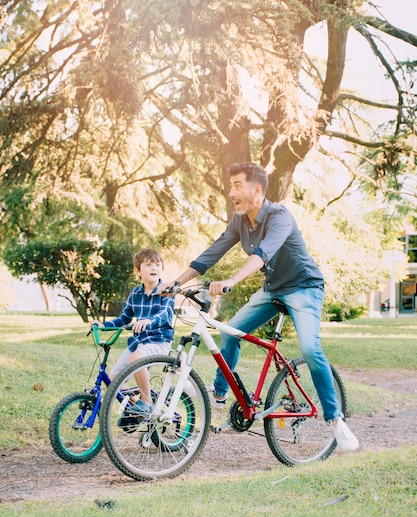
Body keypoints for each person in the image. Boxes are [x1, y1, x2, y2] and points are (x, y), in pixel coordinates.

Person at [159, 162, 359, 452]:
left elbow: (263, 255)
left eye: (237, 185)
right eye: (230, 186)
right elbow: (211, 253)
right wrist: (176, 283)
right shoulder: (240, 221)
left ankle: (335, 420)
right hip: (273, 289)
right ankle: (221, 393)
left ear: (257, 189)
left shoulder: (280, 217)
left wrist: (232, 280)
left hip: (304, 287)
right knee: (230, 331)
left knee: (310, 349)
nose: (231, 192)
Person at [92, 248, 174, 415]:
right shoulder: (135, 293)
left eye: (158, 265)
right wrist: (103, 324)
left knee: (135, 358)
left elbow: (165, 314)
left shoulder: (166, 291)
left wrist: (149, 321)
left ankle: (146, 402)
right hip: (139, 342)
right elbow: (124, 318)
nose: (154, 268)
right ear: (137, 270)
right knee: (113, 380)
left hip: (159, 341)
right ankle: (139, 408)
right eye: (149, 264)